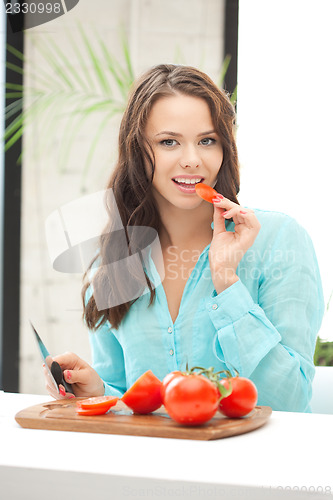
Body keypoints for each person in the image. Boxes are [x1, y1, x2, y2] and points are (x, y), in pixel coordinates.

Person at [44, 64, 324, 412]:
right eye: (168, 142)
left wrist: (227, 283)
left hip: (256, 464)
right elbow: (130, 396)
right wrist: (97, 389)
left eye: (207, 141)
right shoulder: (113, 261)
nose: (192, 160)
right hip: (150, 465)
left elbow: (290, 400)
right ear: (137, 152)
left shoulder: (281, 241)